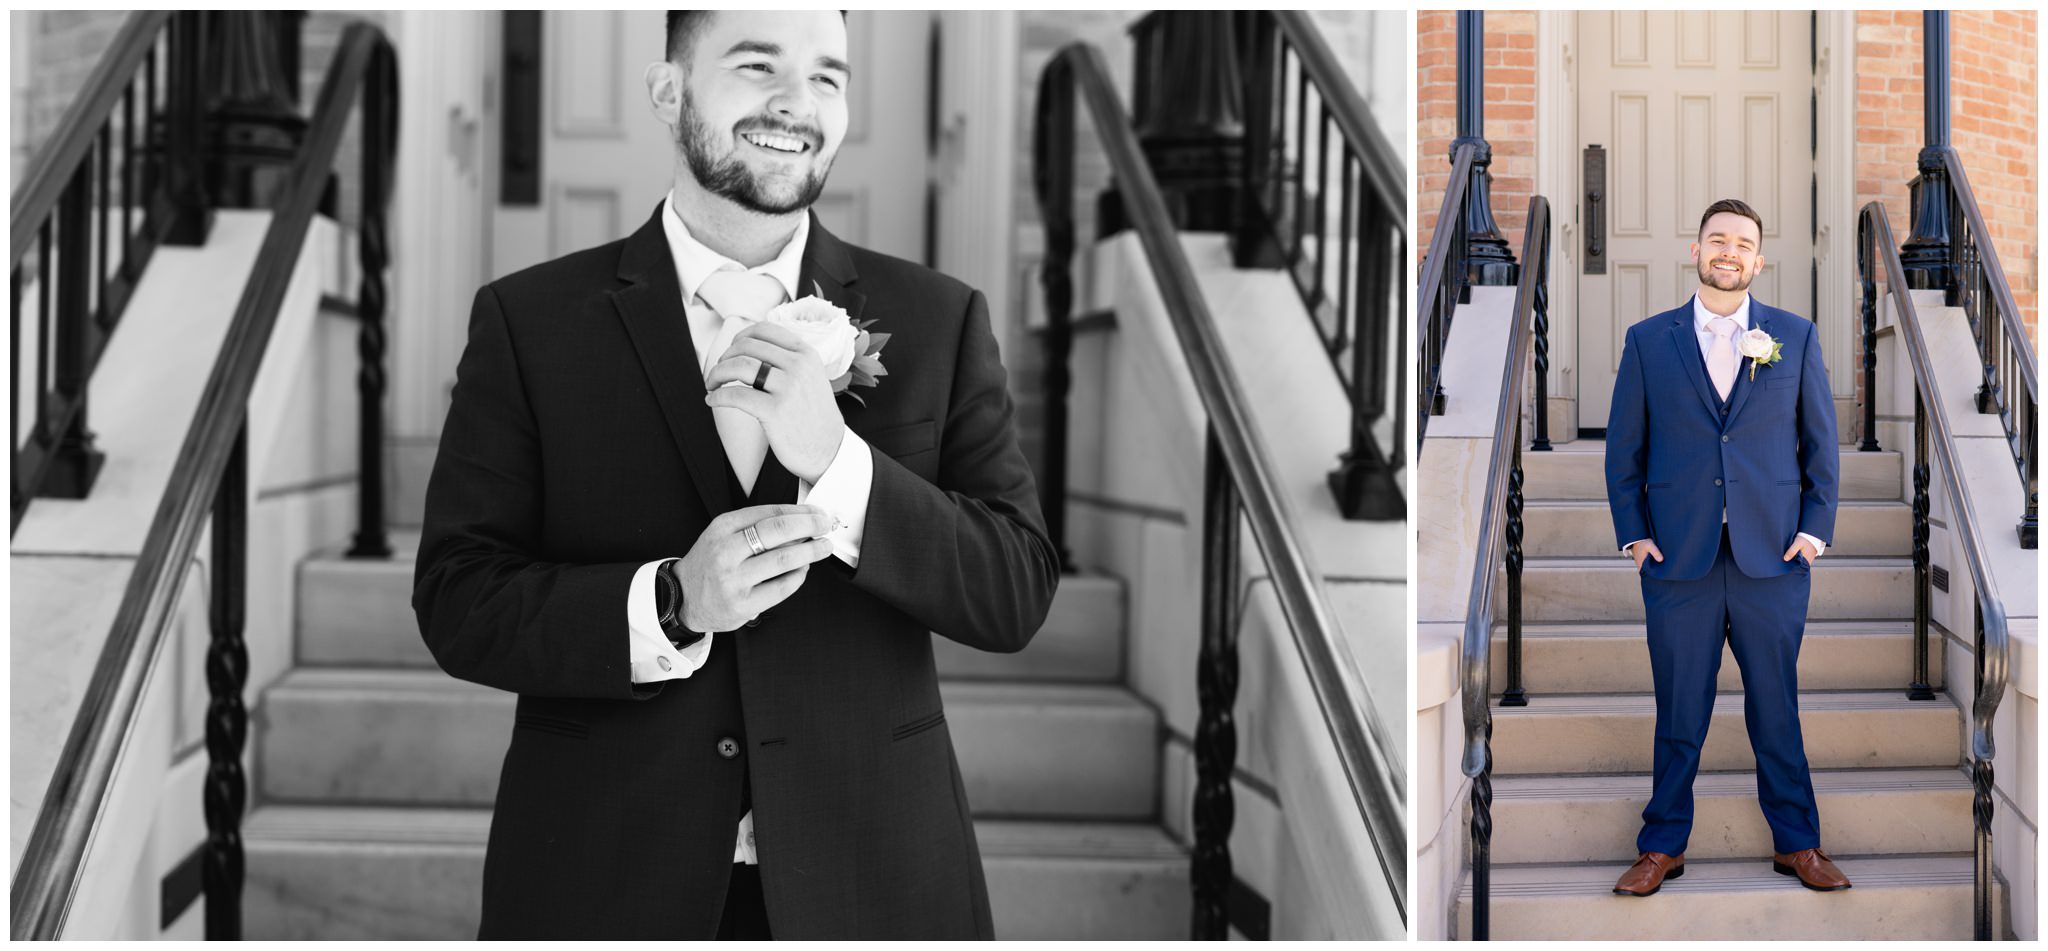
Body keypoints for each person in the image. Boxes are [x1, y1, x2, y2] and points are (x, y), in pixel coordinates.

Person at [412, 10, 1059, 938]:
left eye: (828, 76)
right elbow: (457, 597)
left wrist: (838, 465)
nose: (797, 103)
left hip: (872, 881)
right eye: (758, 66)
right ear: (668, 92)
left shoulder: (941, 320)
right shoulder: (529, 323)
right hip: (603, 878)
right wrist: (670, 602)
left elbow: (1015, 588)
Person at [1603, 198, 1847, 897]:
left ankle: (1797, 842)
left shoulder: (1792, 338)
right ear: (1696, 250)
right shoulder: (1650, 341)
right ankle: (1662, 845)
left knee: (1777, 705)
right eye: (1717, 239)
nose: (1729, 251)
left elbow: (1820, 444)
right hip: (1678, 559)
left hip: (1773, 556)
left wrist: (1814, 530)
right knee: (1680, 709)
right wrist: (1635, 533)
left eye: (1743, 242)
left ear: (1760, 260)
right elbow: (1625, 448)